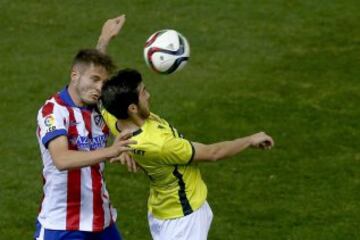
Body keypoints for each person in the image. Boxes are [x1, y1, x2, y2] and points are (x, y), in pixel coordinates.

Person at [100, 68, 275, 240]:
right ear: (132, 108)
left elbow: (100, 95)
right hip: (184, 217)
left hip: (162, 209)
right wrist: (250, 140)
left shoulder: (117, 119)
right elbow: (213, 153)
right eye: (143, 92)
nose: (148, 95)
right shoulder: (161, 144)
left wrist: (127, 152)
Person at [34, 16, 135, 240]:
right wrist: (112, 151)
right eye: (95, 80)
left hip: (102, 221)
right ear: (74, 75)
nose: (100, 89)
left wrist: (104, 39)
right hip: (63, 226)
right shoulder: (53, 112)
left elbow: (92, 69)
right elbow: (62, 159)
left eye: (103, 83)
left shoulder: (96, 106)